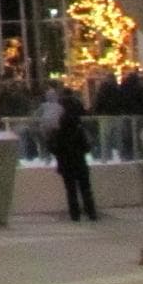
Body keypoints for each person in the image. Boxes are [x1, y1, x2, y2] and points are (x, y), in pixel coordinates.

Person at [51, 92, 98, 222]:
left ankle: (75, 214)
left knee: (71, 190)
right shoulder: (78, 129)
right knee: (85, 189)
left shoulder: (59, 133)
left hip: (66, 164)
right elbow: (86, 147)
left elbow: (55, 148)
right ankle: (91, 212)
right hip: (79, 162)